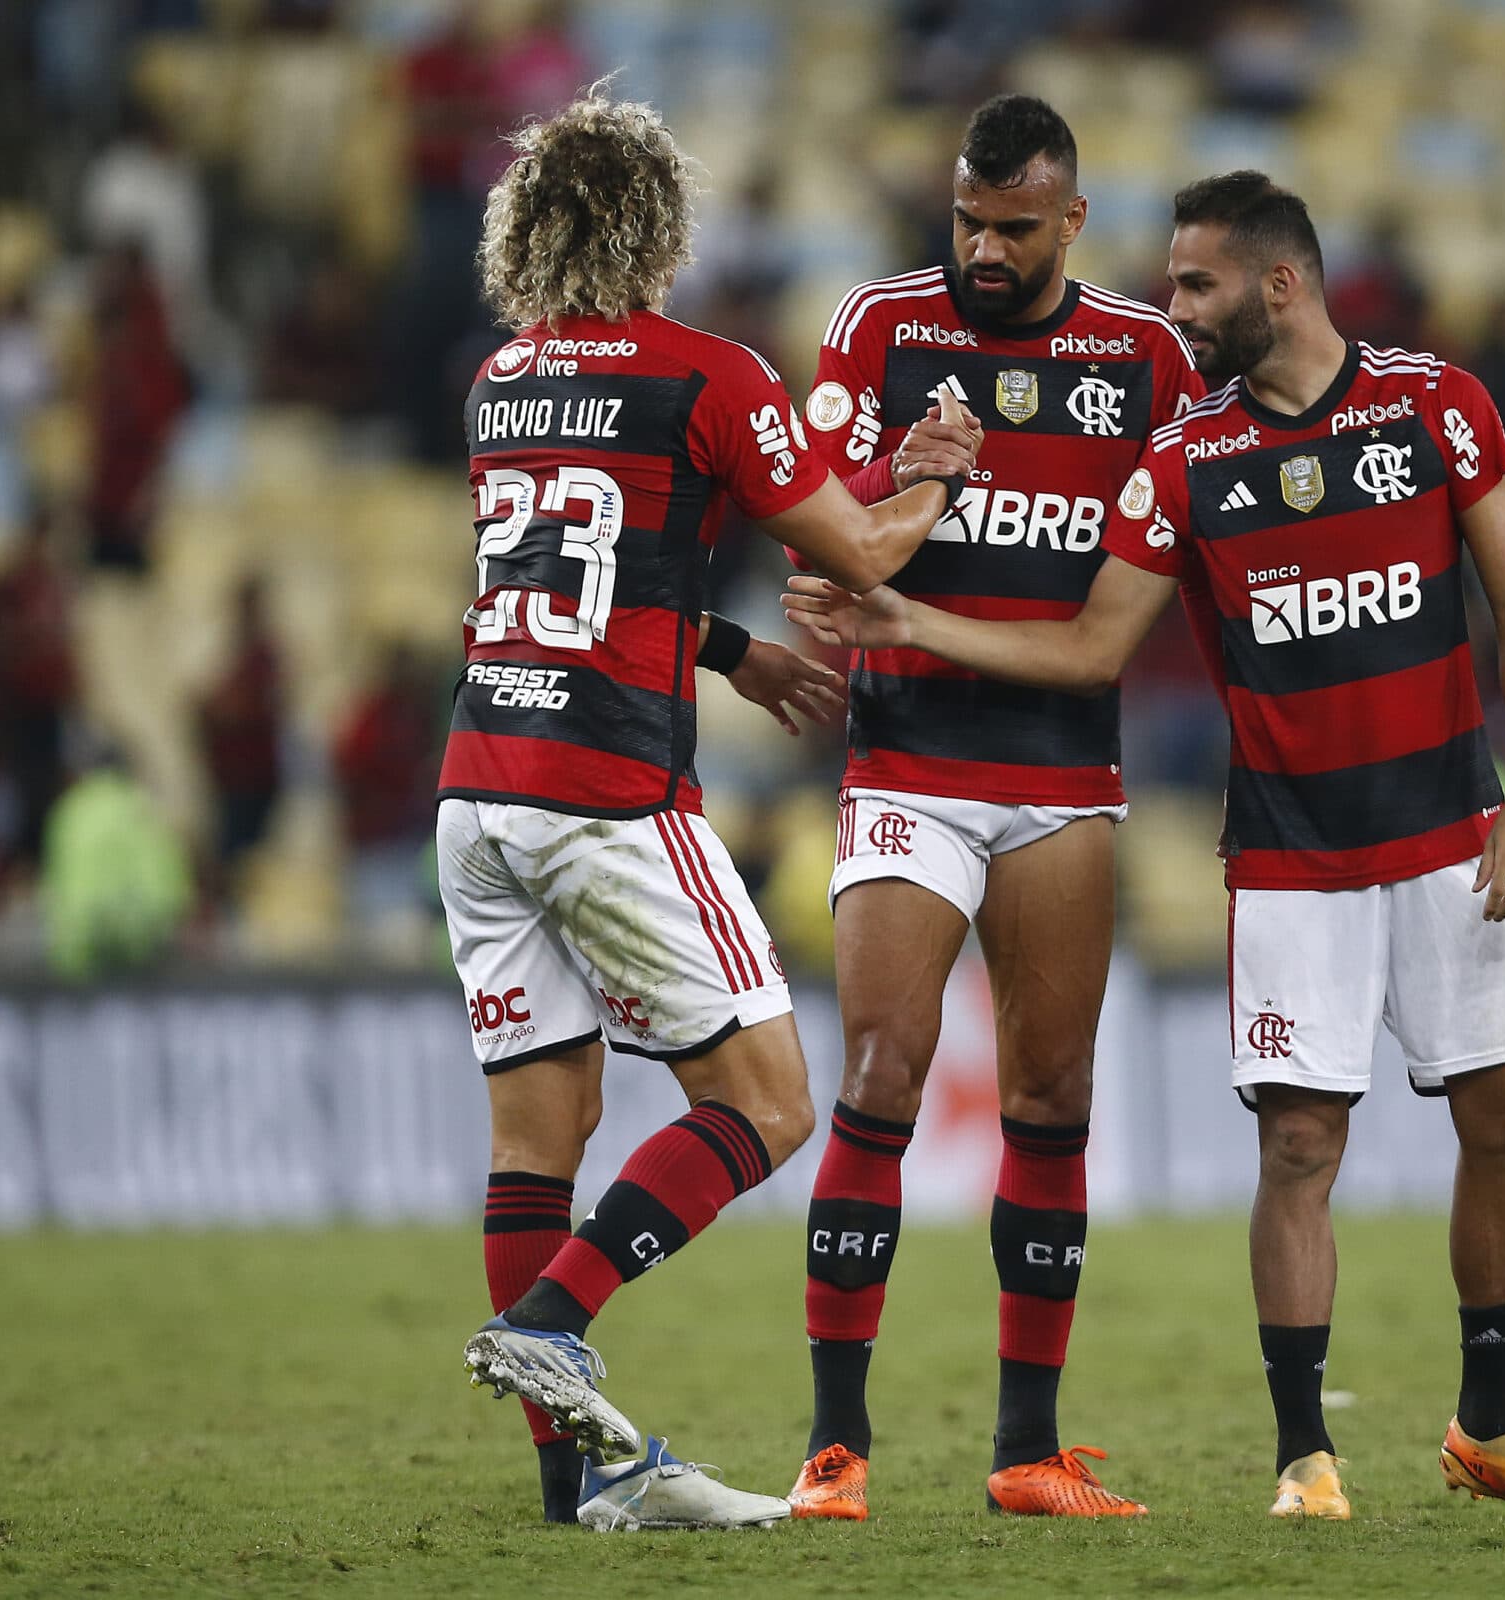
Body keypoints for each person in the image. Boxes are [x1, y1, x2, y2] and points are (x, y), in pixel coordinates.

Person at [787, 171, 1505, 1522]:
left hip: (1454, 833)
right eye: (1168, 287)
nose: (1174, 313)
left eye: (1196, 285)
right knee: (1299, 1146)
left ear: (1279, 282)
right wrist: (917, 628)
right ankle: (1306, 1456)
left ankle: (1493, 1428)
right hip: (1290, 854)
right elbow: (1093, 647)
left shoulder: (1434, 404)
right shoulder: (1185, 458)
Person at [442, 85, 982, 1532]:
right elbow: (861, 547)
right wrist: (930, 473)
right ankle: (556, 1321)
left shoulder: (502, 383)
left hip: (479, 790)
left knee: (534, 1142)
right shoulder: (704, 373)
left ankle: (571, 1496)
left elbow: (570, 587)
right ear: (657, 229)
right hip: (607, 795)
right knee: (768, 1100)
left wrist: (733, 648)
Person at [786, 94, 1200, 1523]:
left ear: (1071, 221)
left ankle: (1028, 1450)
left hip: (1063, 772)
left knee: (1051, 1100)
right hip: (908, 766)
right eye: (966, 221)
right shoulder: (881, 329)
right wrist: (904, 485)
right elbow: (821, 547)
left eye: (1014, 230)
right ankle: (835, 1447)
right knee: (883, 1077)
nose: (982, 250)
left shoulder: (1144, 360)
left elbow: (1161, 575)